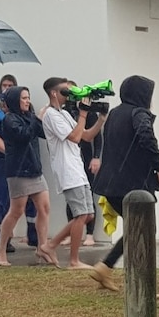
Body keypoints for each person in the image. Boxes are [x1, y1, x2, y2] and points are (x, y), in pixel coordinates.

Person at [89, 75, 159, 291]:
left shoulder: (115, 113)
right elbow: (146, 137)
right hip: (132, 186)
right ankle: (142, 285)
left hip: (109, 185)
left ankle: (105, 267)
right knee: (143, 231)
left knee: (135, 229)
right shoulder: (139, 113)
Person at [38, 77, 104, 269]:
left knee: (88, 215)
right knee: (81, 215)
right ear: (54, 93)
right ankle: (74, 261)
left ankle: (50, 245)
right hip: (67, 170)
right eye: (65, 92)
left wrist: (101, 118)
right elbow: (75, 138)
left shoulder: (64, 114)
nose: (69, 96)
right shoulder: (51, 115)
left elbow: (86, 136)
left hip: (78, 168)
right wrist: (83, 114)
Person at [0, 86, 52, 267]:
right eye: (24, 98)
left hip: (34, 169)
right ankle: (0, 250)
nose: (27, 101)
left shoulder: (29, 116)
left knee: (44, 207)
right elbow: (24, 136)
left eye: (28, 97)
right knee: (16, 211)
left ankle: (42, 247)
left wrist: (47, 117)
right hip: (18, 171)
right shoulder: (10, 120)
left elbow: (42, 133)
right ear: (15, 101)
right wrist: (38, 119)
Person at [0, 74, 38, 252]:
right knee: (2, 200)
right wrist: (10, 153)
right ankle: (3, 240)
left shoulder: (28, 110)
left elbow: (29, 134)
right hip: (3, 161)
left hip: (26, 162)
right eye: (4, 85)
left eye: (10, 85)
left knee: (34, 201)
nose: (7, 88)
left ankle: (34, 236)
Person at [60, 80, 105, 247]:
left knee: (88, 195)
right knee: (71, 198)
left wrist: (96, 157)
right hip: (70, 159)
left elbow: (97, 135)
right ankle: (72, 234)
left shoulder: (86, 109)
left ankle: (90, 234)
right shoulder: (63, 112)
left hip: (85, 157)